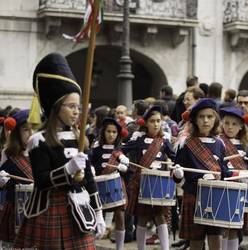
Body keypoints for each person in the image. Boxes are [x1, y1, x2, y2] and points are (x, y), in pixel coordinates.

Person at [14, 53, 105, 249]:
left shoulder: (78, 138)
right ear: (56, 107)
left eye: (78, 107)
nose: (76, 112)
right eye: (71, 106)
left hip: (80, 211)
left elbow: (88, 177)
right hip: (50, 210)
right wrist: (68, 170)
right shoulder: (38, 141)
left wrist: (98, 211)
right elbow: (41, 181)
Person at [172, 98, 230, 250]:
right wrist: (178, 175)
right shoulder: (185, 144)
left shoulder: (219, 144)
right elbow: (176, 175)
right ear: (195, 120)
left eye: (210, 117)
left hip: (215, 196)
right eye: (201, 117)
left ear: (215, 119)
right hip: (193, 195)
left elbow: (224, 171)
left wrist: (237, 175)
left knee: (215, 238)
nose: (205, 120)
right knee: (196, 241)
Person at [123, 105, 175, 250]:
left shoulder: (164, 140)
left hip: (159, 185)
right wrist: (122, 158)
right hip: (142, 183)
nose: (156, 124)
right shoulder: (138, 139)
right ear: (145, 123)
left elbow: (174, 157)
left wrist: (176, 167)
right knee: (142, 218)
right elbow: (121, 149)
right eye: (152, 121)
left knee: (160, 217)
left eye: (158, 121)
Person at [90, 117, 130, 250]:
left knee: (120, 214)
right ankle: (92, 244)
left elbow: (126, 168)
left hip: (116, 184)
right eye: (108, 131)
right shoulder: (96, 148)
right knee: (95, 214)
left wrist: (123, 168)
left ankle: (120, 247)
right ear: (103, 132)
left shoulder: (119, 149)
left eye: (114, 132)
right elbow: (90, 162)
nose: (111, 134)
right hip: (98, 184)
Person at [219, 106, 248, 250]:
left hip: (239, 189)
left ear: (241, 127)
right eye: (226, 123)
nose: (230, 127)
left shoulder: (247, 145)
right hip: (222, 189)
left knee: (234, 227)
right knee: (222, 227)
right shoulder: (218, 142)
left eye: (234, 124)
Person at [0, 109, 33, 245]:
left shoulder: (43, 151)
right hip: (16, 211)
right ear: (17, 132)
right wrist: (1, 181)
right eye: (26, 130)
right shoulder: (8, 154)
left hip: (40, 210)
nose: (31, 134)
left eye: (34, 129)